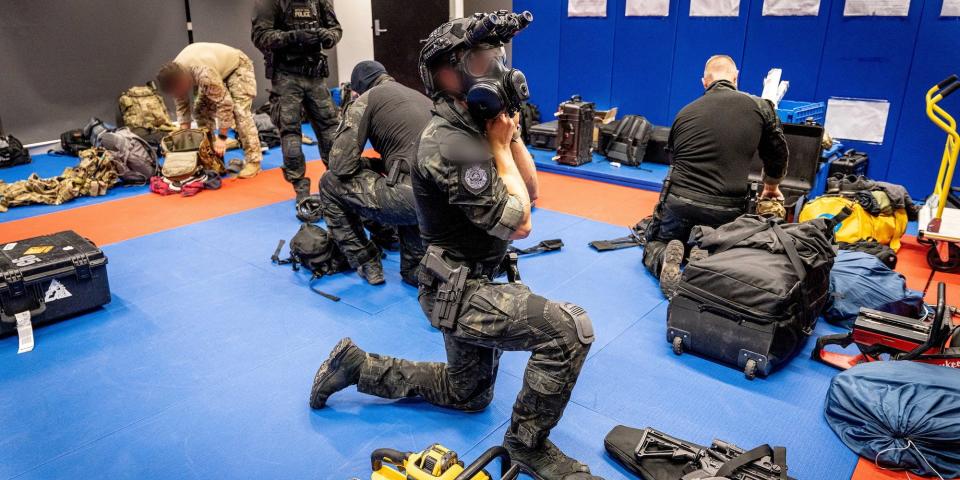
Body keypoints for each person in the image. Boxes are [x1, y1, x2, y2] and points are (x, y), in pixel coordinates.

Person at [308, 13, 602, 480]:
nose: (497, 70)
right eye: (484, 60)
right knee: (570, 331)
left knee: (468, 394)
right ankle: (528, 447)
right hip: (460, 293)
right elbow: (522, 221)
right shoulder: (451, 145)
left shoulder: (475, 127)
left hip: (469, 278)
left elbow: (532, 191)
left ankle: (357, 366)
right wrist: (500, 148)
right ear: (448, 73)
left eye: (496, 59)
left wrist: (512, 135)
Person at [643, 55, 789, 297]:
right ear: (736, 77)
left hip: (680, 203)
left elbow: (674, 161)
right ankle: (705, 259)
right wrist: (771, 187)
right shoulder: (761, 108)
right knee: (731, 252)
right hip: (727, 209)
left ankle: (664, 258)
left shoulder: (684, 112)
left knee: (654, 243)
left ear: (704, 82)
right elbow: (778, 155)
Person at [319, 61, 429, 286]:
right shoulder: (417, 95)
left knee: (329, 183)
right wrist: (376, 165)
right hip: (446, 202)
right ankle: (394, 241)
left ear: (358, 89)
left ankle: (366, 260)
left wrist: (367, 164)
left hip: (411, 199)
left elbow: (340, 166)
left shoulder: (366, 99)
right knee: (412, 271)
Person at [252, 0, 341, 204]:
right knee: (290, 131)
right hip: (286, 76)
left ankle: (338, 180)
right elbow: (260, 36)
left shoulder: (318, 1)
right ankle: (301, 187)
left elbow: (335, 28)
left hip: (315, 75)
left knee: (330, 127)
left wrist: (329, 37)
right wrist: (293, 37)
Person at [157, 42, 262, 178]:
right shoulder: (172, 76)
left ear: (183, 81)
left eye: (179, 90)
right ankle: (211, 157)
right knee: (201, 110)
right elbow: (182, 106)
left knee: (239, 111)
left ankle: (254, 160)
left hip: (237, 67)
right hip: (215, 71)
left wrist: (222, 137)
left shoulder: (203, 74)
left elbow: (225, 104)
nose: (178, 93)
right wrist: (186, 137)